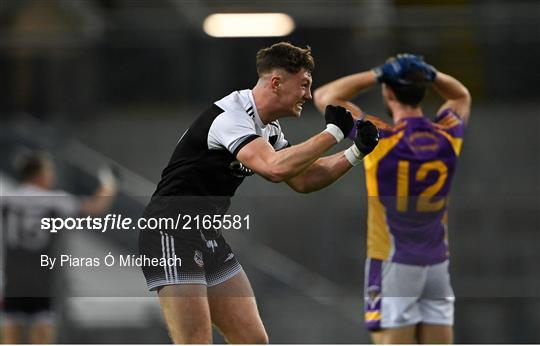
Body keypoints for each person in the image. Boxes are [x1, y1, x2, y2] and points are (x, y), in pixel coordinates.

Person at [138, 41, 379, 344]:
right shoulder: (231, 117)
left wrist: (356, 151)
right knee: (196, 342)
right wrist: (332, 133)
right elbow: (274, 168)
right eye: (304, 84)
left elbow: (304, 179)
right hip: (170, 232)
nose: (307, 94)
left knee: (253, 340)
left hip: (206, 236)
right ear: (276, 82)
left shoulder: (269, 128)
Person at [314, 54, 471, 344]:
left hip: (394, 265)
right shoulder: (447, 134)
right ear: (423, 90)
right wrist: (430, 73)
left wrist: (377, 73)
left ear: (387, 91)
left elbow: (325, 96)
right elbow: (461, 95)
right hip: (436, 264)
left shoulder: (380, 138)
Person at [0, 151, 117, 344]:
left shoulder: (7, 199)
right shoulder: (56, 200)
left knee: (10, 338)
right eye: (49, 169)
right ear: (39, 173)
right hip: (41, 282)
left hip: (13, 281)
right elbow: (96, 207)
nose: (52, 174)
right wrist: (110, 184)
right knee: (42, 337)